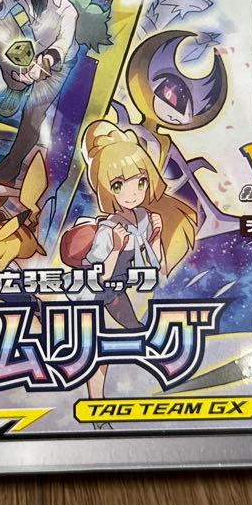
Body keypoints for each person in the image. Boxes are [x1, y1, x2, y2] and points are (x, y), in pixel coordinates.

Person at [60, 120, 197, 403]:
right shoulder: (107, 230)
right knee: (95, 350)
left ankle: (168, 383)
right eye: (119, 185)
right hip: (90, 295)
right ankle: (95, 403)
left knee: (137, 333)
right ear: (106, 189)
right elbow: (99, 276)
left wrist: (156, 238)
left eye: (140, 181)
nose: (132, 193)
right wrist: (115, 250)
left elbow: (155, 268)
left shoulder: (145, 219)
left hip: (114, 293)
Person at [0, 0, 111, 180]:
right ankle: (16, 86)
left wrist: (44, 64)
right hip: (31, 53)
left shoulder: (66, 9)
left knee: (33, 115)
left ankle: (13, 162)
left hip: (57, 64)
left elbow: (62, 44)